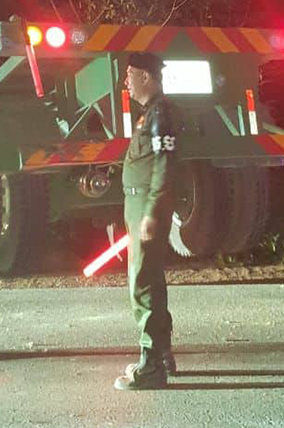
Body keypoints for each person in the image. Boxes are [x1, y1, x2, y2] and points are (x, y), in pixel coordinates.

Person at [114, 52, 179, 391]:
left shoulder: (160, 114)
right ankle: (161, 355)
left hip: (146, 204)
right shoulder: (150, 114)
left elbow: (165, 164)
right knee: (150, 277)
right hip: (138, 202)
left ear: (146, 77)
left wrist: (152, 210)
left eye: (130, 74)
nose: (125, 81)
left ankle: (150, 367)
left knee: (143, 282)